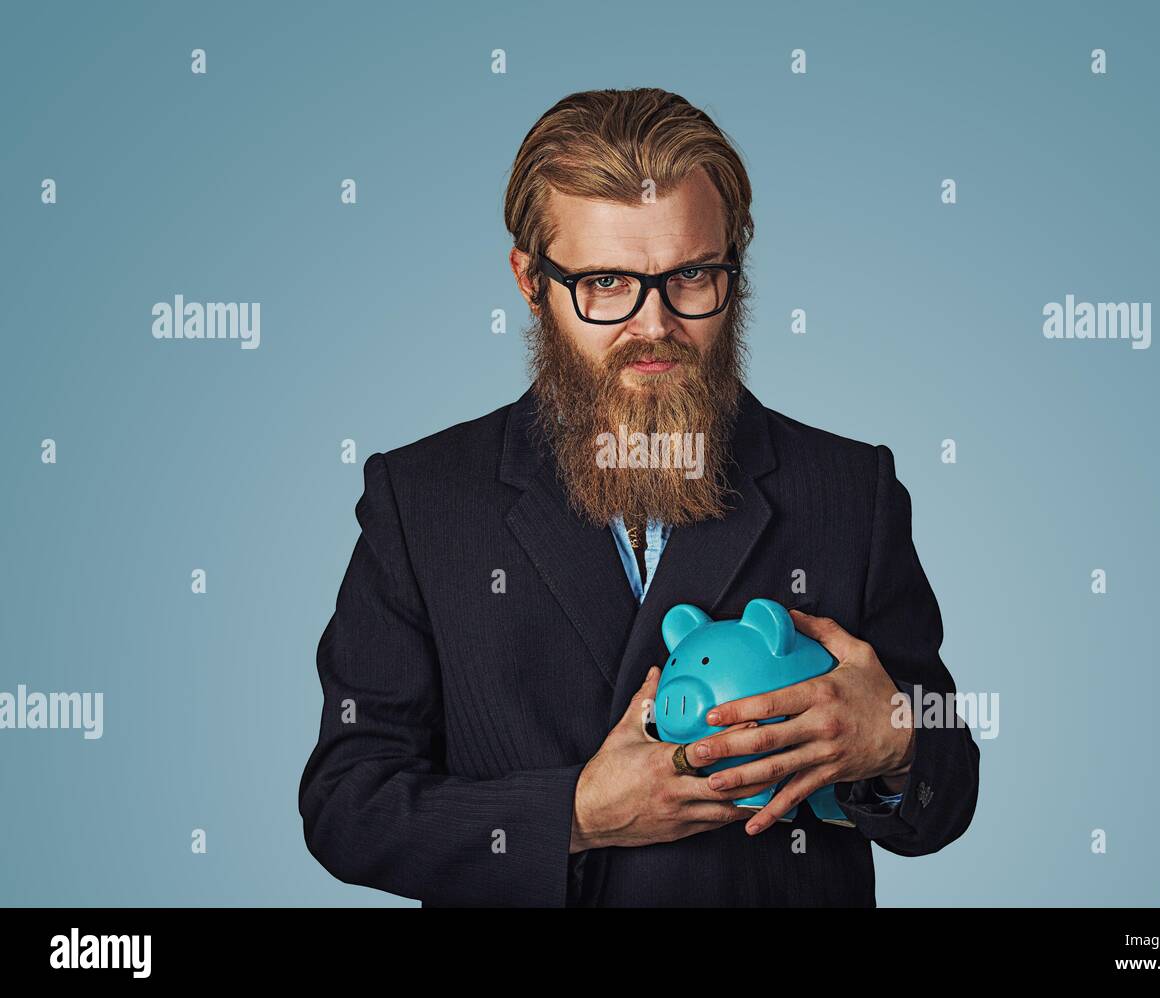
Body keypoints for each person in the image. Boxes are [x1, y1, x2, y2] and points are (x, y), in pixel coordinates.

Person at [298, 87, 979, 906]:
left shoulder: (847, 489)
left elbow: (949, 779)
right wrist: (577, 815)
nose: (653, 326)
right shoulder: (421, 501)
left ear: (737, 263)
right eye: (608, 283)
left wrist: (896, 743)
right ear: (529, 280)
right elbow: (346, 802)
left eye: (691, 275)